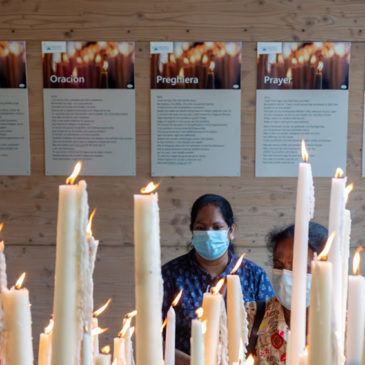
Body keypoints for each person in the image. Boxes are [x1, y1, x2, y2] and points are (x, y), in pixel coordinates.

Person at [162, 194, 275, 365]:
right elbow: (152, 337)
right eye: (201, 228)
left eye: (217, 227)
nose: (209, 234)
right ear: (192, 231)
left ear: (231, 231)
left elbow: (271, 332)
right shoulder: (171, 274)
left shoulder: (254, 275)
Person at [246, 222, 328, 365]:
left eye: (298, 266)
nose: (285, 276)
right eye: (278, 266)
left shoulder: (344, 327)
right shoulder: (251, 316)